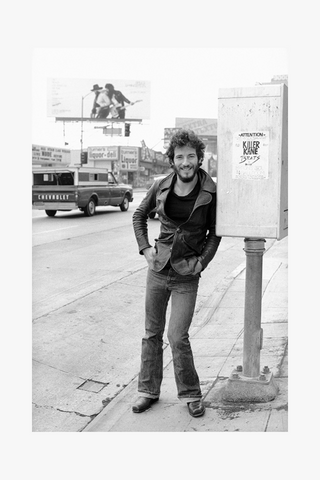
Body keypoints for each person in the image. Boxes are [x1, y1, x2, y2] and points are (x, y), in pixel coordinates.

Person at [132, 129, 221, 417]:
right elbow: (138, 215)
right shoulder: (160, 185)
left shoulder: (210, 191)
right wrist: (146, 249)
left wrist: (202, 262)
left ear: (198, 159)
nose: (185, 162)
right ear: (172, 160)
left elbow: (215, 232)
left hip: (186, 273)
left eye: (191, 156)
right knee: (151, 333)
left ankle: (191, 394)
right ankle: (148, 390)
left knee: (177, 335)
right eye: (180, 156)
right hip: (158, 269)